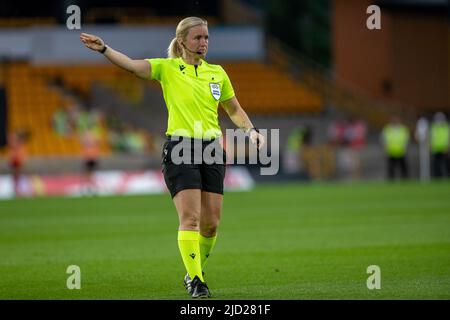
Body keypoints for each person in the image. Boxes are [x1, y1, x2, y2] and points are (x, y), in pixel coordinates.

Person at [80, 16, 265, 299]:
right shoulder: (167, 68)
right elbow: (130, 65)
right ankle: (196, 280)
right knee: (190, 218)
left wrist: (250, 131)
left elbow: (234, 109)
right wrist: (104, 48)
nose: (203, 43)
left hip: (213, 150)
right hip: (181, 148)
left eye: (206, 38)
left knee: (211, 222)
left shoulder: (217, 73)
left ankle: (194, 271)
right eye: (197, 38)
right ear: (182, 42)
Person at [430, 112, 450, 178]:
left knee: (447, 164)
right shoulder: (434, 127)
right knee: (436, 164)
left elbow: (448, 137)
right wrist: (431, 145)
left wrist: (447, 146)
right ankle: (437, 177)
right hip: (436, 148)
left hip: (445, 148)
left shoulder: (447, 127)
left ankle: (447, 176)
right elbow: (431, 137)